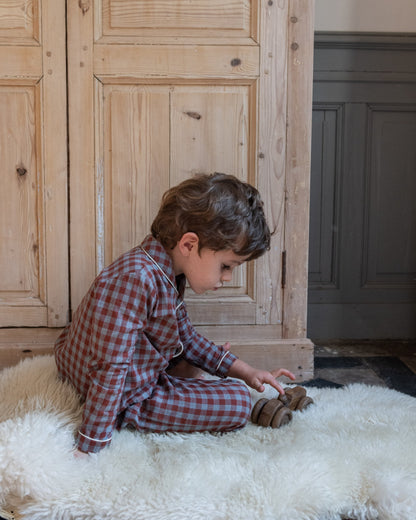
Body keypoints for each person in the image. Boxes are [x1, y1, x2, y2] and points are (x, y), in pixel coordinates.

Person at [55, 172, 295, 455]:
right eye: (226, 266)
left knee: (190, 361)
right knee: (235, 400)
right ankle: (249, 404)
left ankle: (203, 382)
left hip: (128, 366)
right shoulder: (136, 279)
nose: (227, 278)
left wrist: (246, 371)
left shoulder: (165, 272)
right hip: (120, 392)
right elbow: (110, 368)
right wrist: (90, 444)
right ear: (189, 245)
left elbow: (188, 339)